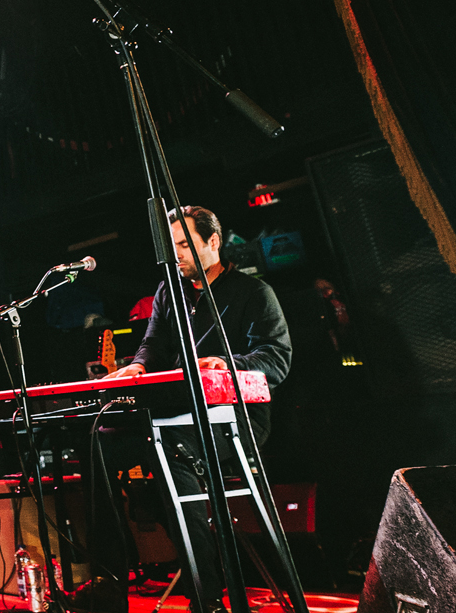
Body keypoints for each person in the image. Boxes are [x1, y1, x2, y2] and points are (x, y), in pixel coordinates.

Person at [106, 205, 291, 611]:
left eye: (184, 245)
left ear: (213, 242)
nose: (176, 255)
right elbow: (153, 346)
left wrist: (225, 364)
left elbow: (276, 359)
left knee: (168, 450)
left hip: (234, 422)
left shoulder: (254, 293)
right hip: (174, 415)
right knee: (100, 445)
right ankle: (107, 584)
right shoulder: (167, 292)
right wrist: (135, 366)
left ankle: (204, 597)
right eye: (171, 247)